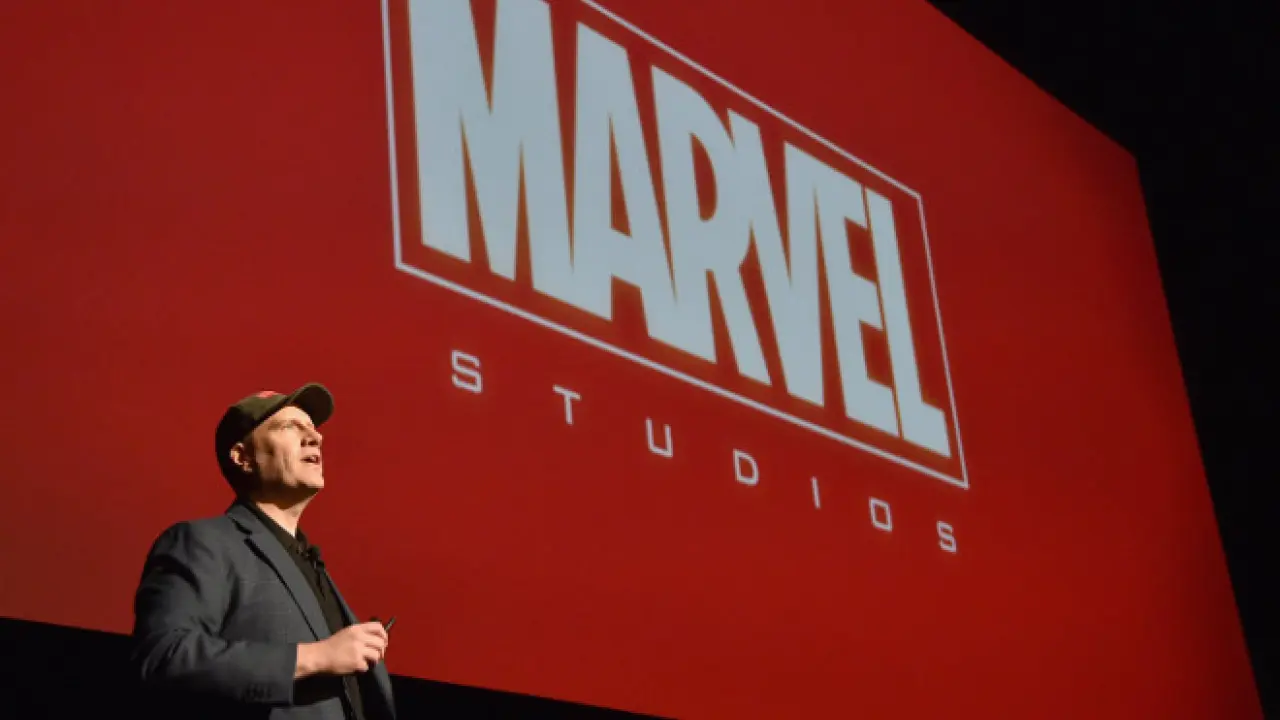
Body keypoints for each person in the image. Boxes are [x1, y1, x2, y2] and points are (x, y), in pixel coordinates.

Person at [131, 383, 397, 720]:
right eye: (290, 427)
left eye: (313, 429)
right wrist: (316, 657)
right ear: (243, 457)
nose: (315, 438)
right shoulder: (203, 542)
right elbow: (164, 656)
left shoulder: (313, 566)